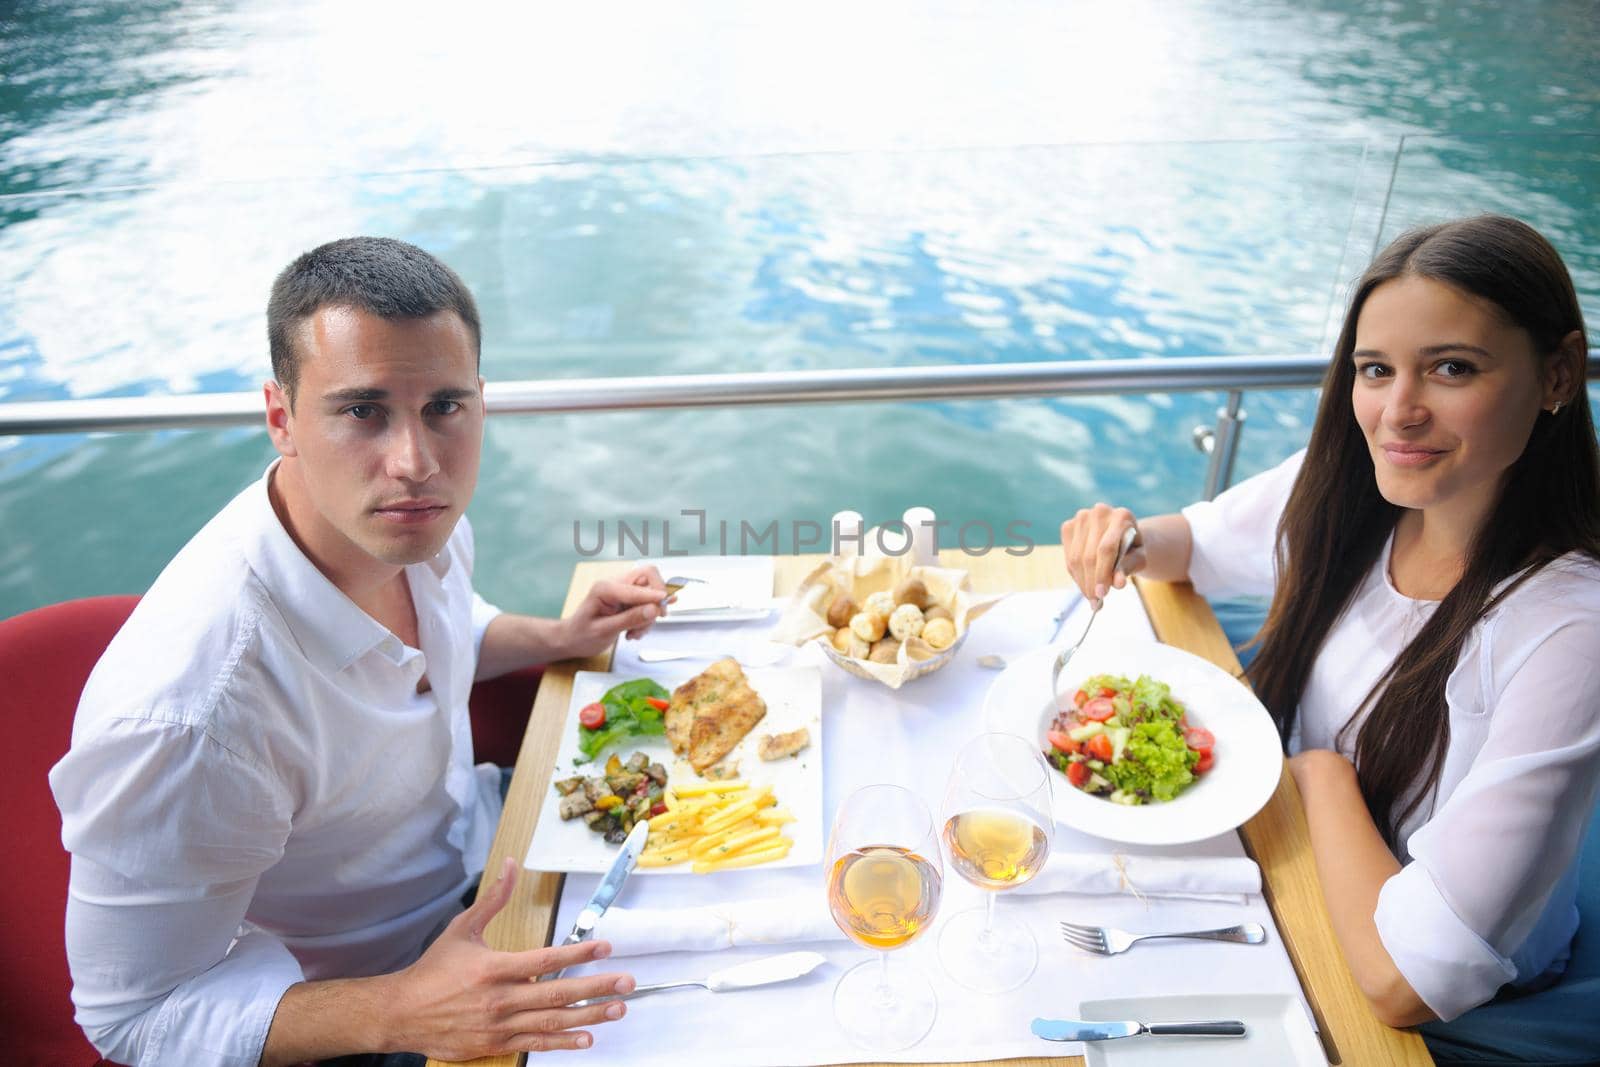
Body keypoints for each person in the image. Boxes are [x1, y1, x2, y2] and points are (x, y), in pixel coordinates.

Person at [49, 237, 671, 1066]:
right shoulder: (193, 716)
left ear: (480, 401)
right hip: (370, 999)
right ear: (281, 417)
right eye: (362, 410)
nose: (415, 463)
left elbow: (443, 637)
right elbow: (135, 1015)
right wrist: (398, 1011)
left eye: (444, 407)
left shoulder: (413, 526)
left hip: (497, 854)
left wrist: (559, 638)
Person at [1059, 215, 1599, 1057]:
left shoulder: (1568, 629)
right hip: (1297, 850)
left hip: (1434, 992)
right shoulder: (1356, 488)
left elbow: (1406, 978)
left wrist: (1318, 769)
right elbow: (1195, 544)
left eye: (1452, 367)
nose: (1398, 411)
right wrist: (1125, 537)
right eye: (1375, 369)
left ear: (1557, 372)